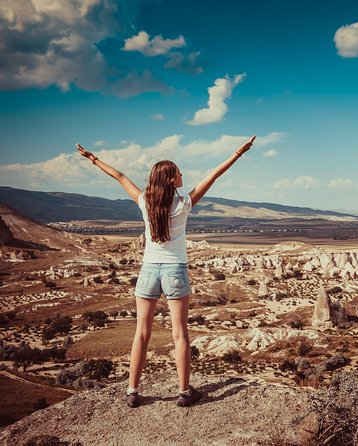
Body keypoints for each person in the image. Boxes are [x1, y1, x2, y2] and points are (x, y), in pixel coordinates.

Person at [76, 136, 255, 407]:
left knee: (141, 333)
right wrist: (238, 153)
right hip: (175, 271)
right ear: (172, 179)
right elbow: (214, 174)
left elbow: (120, 176)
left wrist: (93, 159)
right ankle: (184, 393)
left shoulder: (145, 202)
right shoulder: (183, 204)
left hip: (148, 270)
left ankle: (132, 392)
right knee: (180, 333)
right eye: (179, 172)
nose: (183, 174)